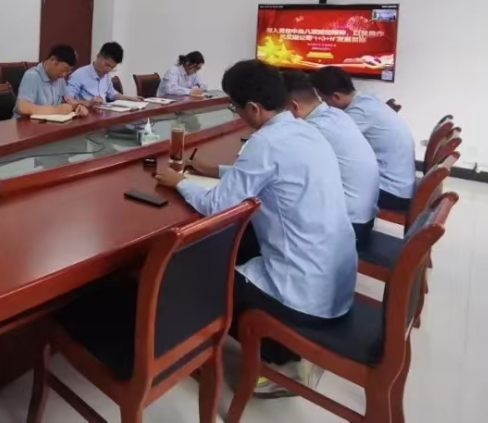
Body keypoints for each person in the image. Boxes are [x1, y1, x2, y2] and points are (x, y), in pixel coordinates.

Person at [155, 60, 357, 398]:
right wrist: (213, 170)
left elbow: (217, 205)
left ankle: (281, 357)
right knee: (241, 241)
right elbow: (258, 176)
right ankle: (283, 349)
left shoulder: (265, 143)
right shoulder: (305, 130)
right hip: (332, 283)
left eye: (234, 107)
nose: (236, 114)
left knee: (189, 272)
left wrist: (180, 182)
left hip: (303, 298)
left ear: (252, 108)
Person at [282, 71, 380, 241]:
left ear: (293, 106)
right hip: (364, 216)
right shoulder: (337, 114)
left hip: (349, 226)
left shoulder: (313, 129)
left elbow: (286, 174)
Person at [311, 66, 416, 212]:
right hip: (402, 184)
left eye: (324, 100)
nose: (326, 105)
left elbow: (324, 144)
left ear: (336, 96)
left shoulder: (359, 113)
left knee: (319, 182)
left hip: (392, 192)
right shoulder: (365, 100)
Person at [14, 44, 89, 118]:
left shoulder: (60, 78)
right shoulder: (32, 76)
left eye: (68, 71)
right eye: (64, 70)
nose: (64, 75)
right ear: (53, 61)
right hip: (24, 123)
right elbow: (23, 107)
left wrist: (77, 106)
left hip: (49, 122)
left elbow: (67, 99)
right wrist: (56, 110)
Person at [67, 42, 141, 104]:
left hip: (102, 113)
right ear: (98, 56)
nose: (108, 70)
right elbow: (68, 99)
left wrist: (129, 98)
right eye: (107, 65)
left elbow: (112, 94)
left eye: (112, 68)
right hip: (85, 113)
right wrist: (88, 103)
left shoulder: (107, 76)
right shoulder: (79, 75)